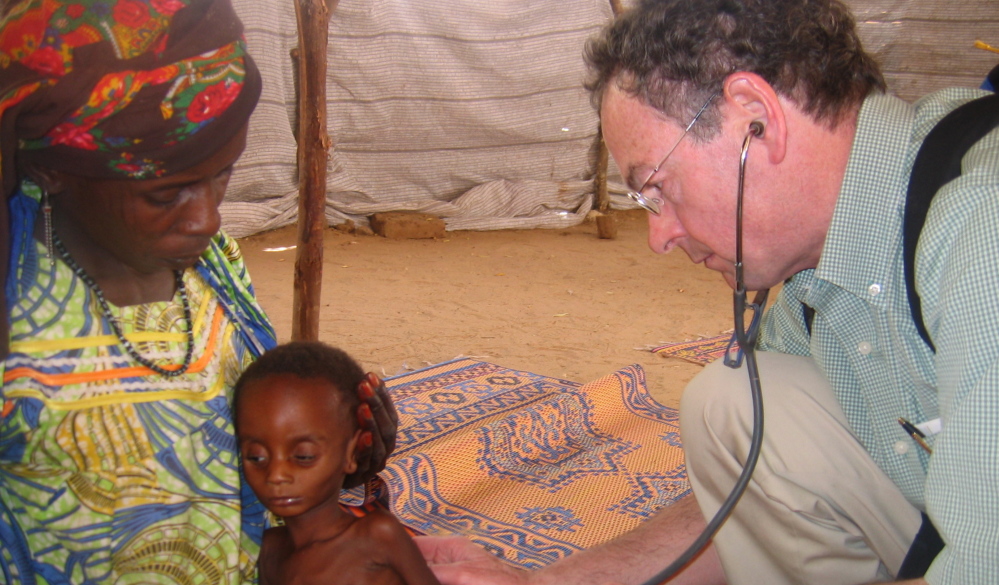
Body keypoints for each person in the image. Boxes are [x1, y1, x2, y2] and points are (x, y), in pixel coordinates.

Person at [416, 1, 999, 584]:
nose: (659, 237)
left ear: (755, 119)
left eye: (658, 188)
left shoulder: (983, 225)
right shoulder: (816, 268)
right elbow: (745, 500)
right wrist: (544, 583)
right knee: (734, 407)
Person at [0, 1, 397, 583]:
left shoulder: (214, 268)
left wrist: (333, 461)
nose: (208, 219)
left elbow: (225, 486)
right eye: (167, 195)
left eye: (222, 176)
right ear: (52, 171)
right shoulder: (18, 310)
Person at [234, 341, 440, 585]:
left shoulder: (376, 536)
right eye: (256, 457)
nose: (276, 475)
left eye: (303, 457)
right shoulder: (271, 550)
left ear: (352, 453)